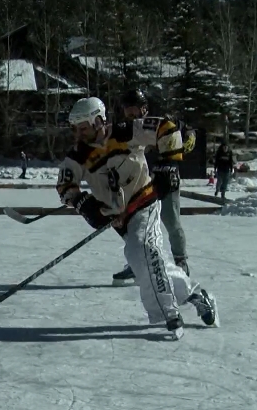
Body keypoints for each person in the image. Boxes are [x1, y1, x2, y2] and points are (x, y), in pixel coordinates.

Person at [57, 97, 218, 339]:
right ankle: (195, 294)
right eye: (75, 129)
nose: (78, 134)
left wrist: (169, 165)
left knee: (142, 251)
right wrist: (83, 204)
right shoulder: (77, 155)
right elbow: (64, 185)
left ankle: (170, 313)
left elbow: (167, 128)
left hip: (145, 203)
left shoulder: (126, 132)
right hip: (119, 219)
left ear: (99, 121)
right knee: (145, 260)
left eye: (84, 128)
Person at [112, 89, 195, 285]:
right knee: (138, 226)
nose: (130, 114)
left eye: (134, 110)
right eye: (127, 110)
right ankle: (137, 263)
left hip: (165, 179)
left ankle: (181, 260)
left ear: (144, 109)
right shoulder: (127, 129)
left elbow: (184, 132)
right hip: (142, 184)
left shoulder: (157, 123)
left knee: (171, 220)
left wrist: (188, 135)